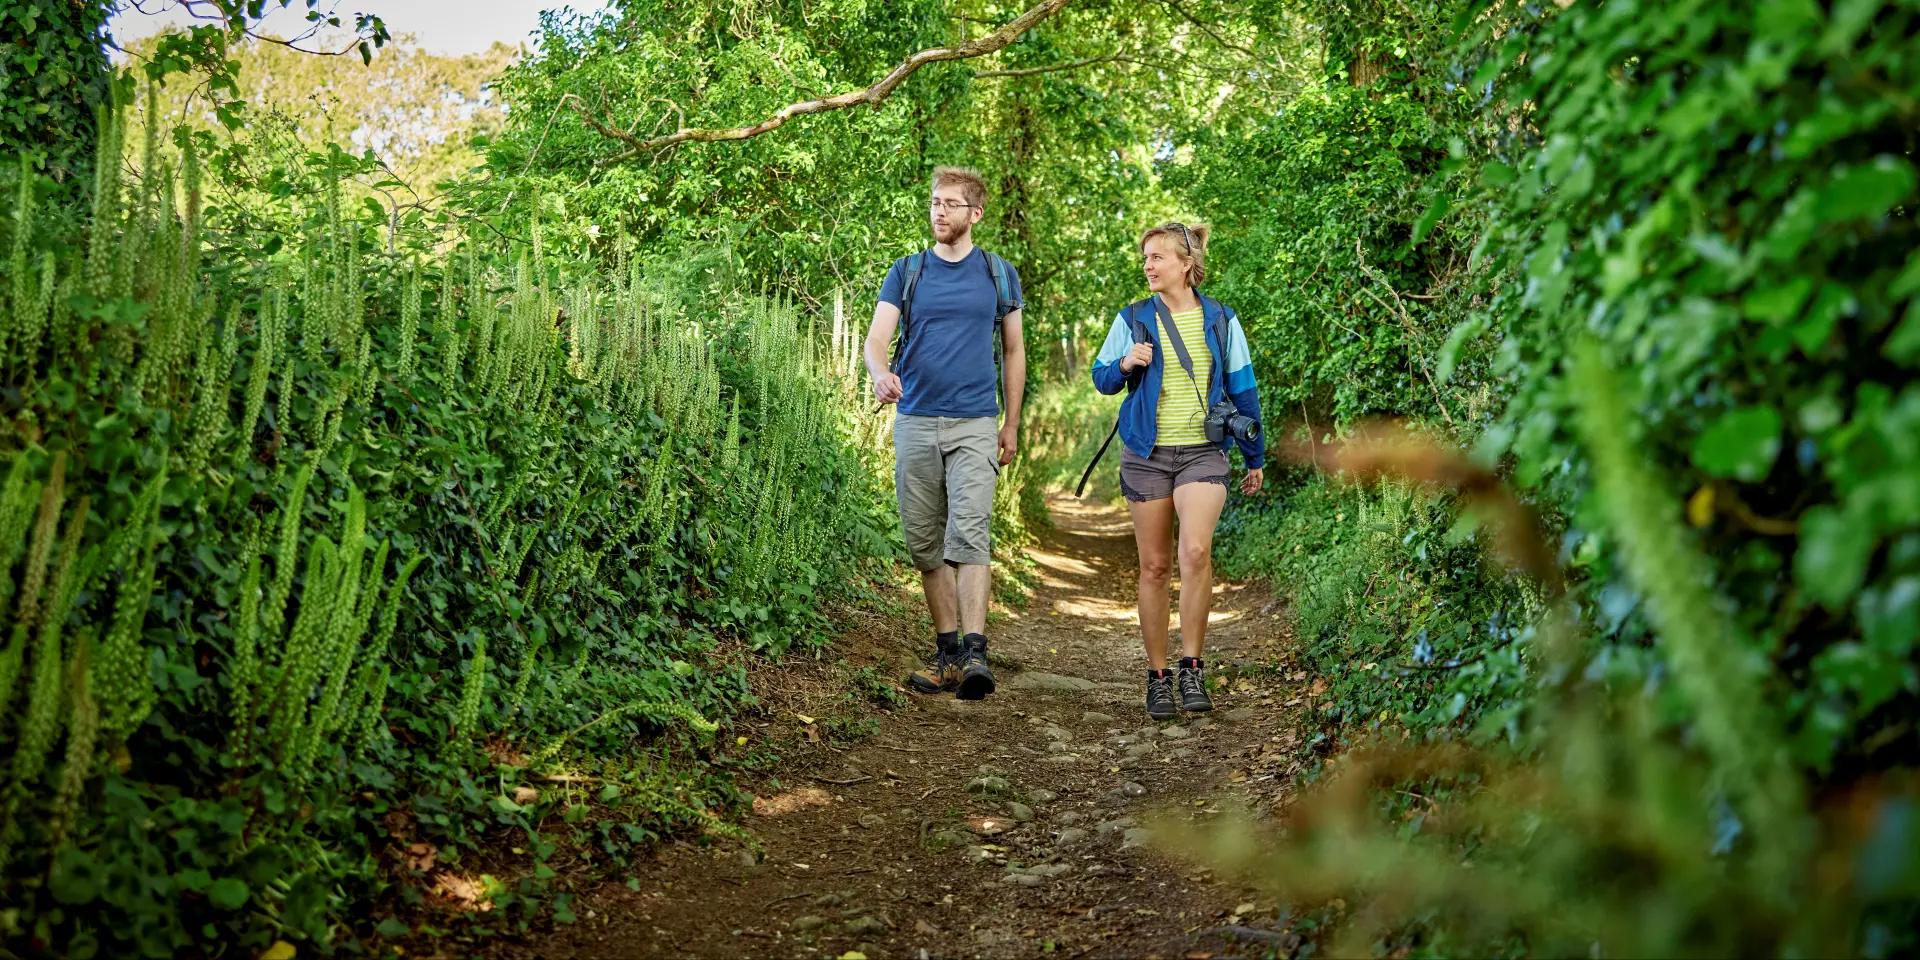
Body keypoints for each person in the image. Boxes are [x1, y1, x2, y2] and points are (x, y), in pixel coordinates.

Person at [864, 167, 1026, 700]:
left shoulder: (998, 274)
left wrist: (1012, 422)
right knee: (924, 541)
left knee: (971, 532)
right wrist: (879, 373)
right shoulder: (906, 272)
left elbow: (1013, 351)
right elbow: (876, 340)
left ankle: (977, 653)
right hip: (914, 420)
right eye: (935, 202)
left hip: (976, 421)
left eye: (951, 204)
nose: (939, 211)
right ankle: (948, 653)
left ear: (974, 214)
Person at [1089, 223, 1263, 719]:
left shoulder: (1221, 320)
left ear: (1186, 264)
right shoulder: (1133, 318)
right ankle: (1159, 677)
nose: (1147, 265)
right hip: (1146, 453)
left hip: (1203, 453)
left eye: (1157, 257)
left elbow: (1244, 391)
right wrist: (1125, 363)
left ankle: (1193, 666)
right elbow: (1101, 378)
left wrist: (1256, 457)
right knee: (1155, 567)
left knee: (1195, 550)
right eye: (1145, 258)